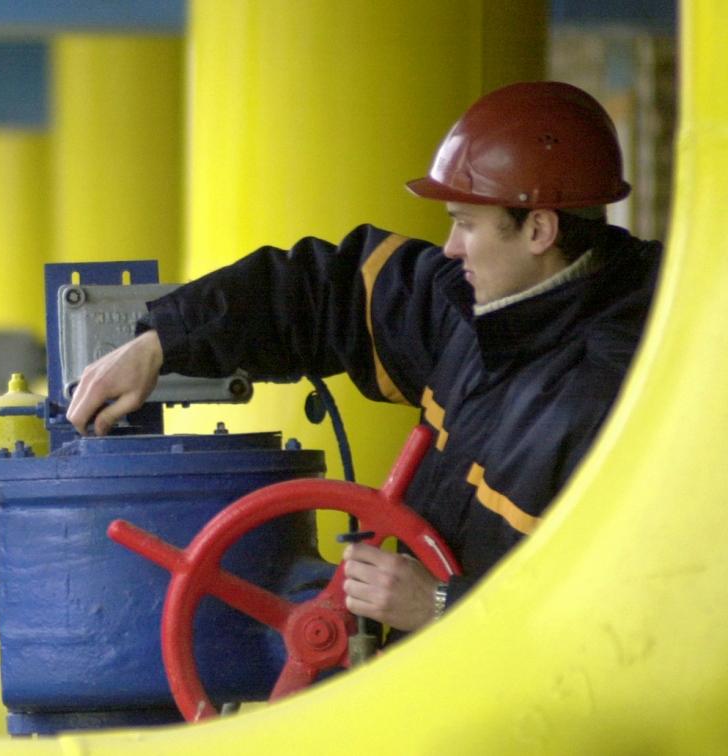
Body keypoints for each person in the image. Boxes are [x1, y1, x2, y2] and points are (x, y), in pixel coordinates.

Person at [66, 81, 661, 640]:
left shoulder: (627, 394)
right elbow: (327, 291)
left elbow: (637, 618)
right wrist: (162, 342)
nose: (451, 249)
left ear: (538, 230)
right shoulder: (480, 314)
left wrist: (440, 607)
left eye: (466, 225)